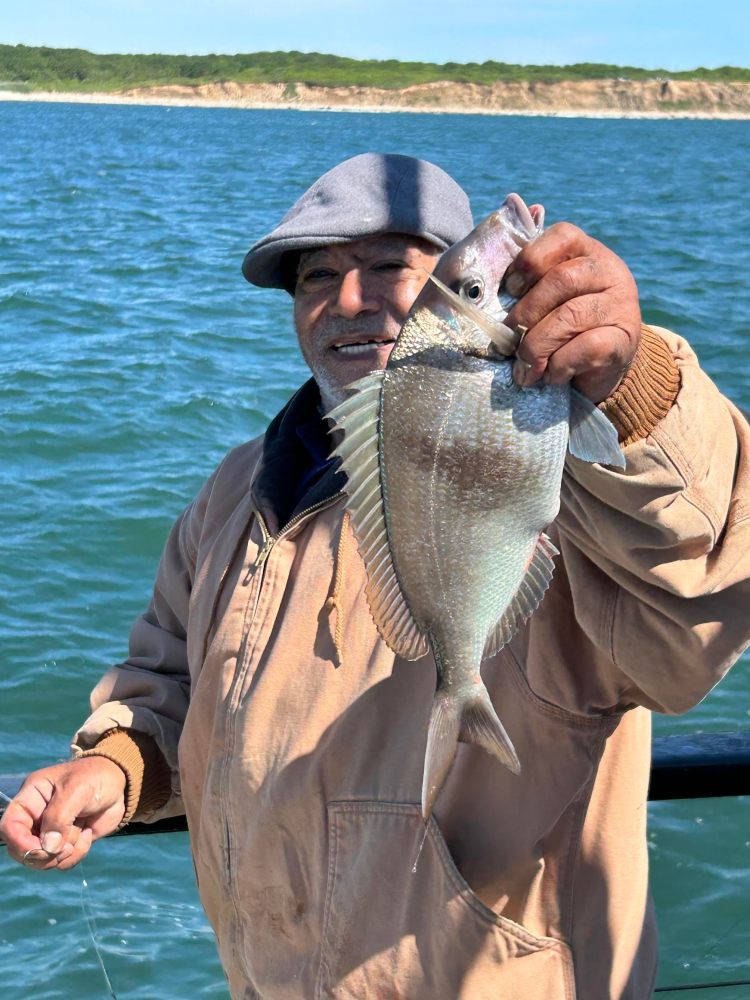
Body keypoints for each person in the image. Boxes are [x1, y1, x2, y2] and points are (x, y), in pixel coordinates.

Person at [2, 152, 749, 1000]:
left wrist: (634, 386)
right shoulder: (236, 489)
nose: (350, 300)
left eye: (393, 267)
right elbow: (171, 675)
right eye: (318, 275)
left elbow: (700, 593)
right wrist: (121, 763)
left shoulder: (568, 458)